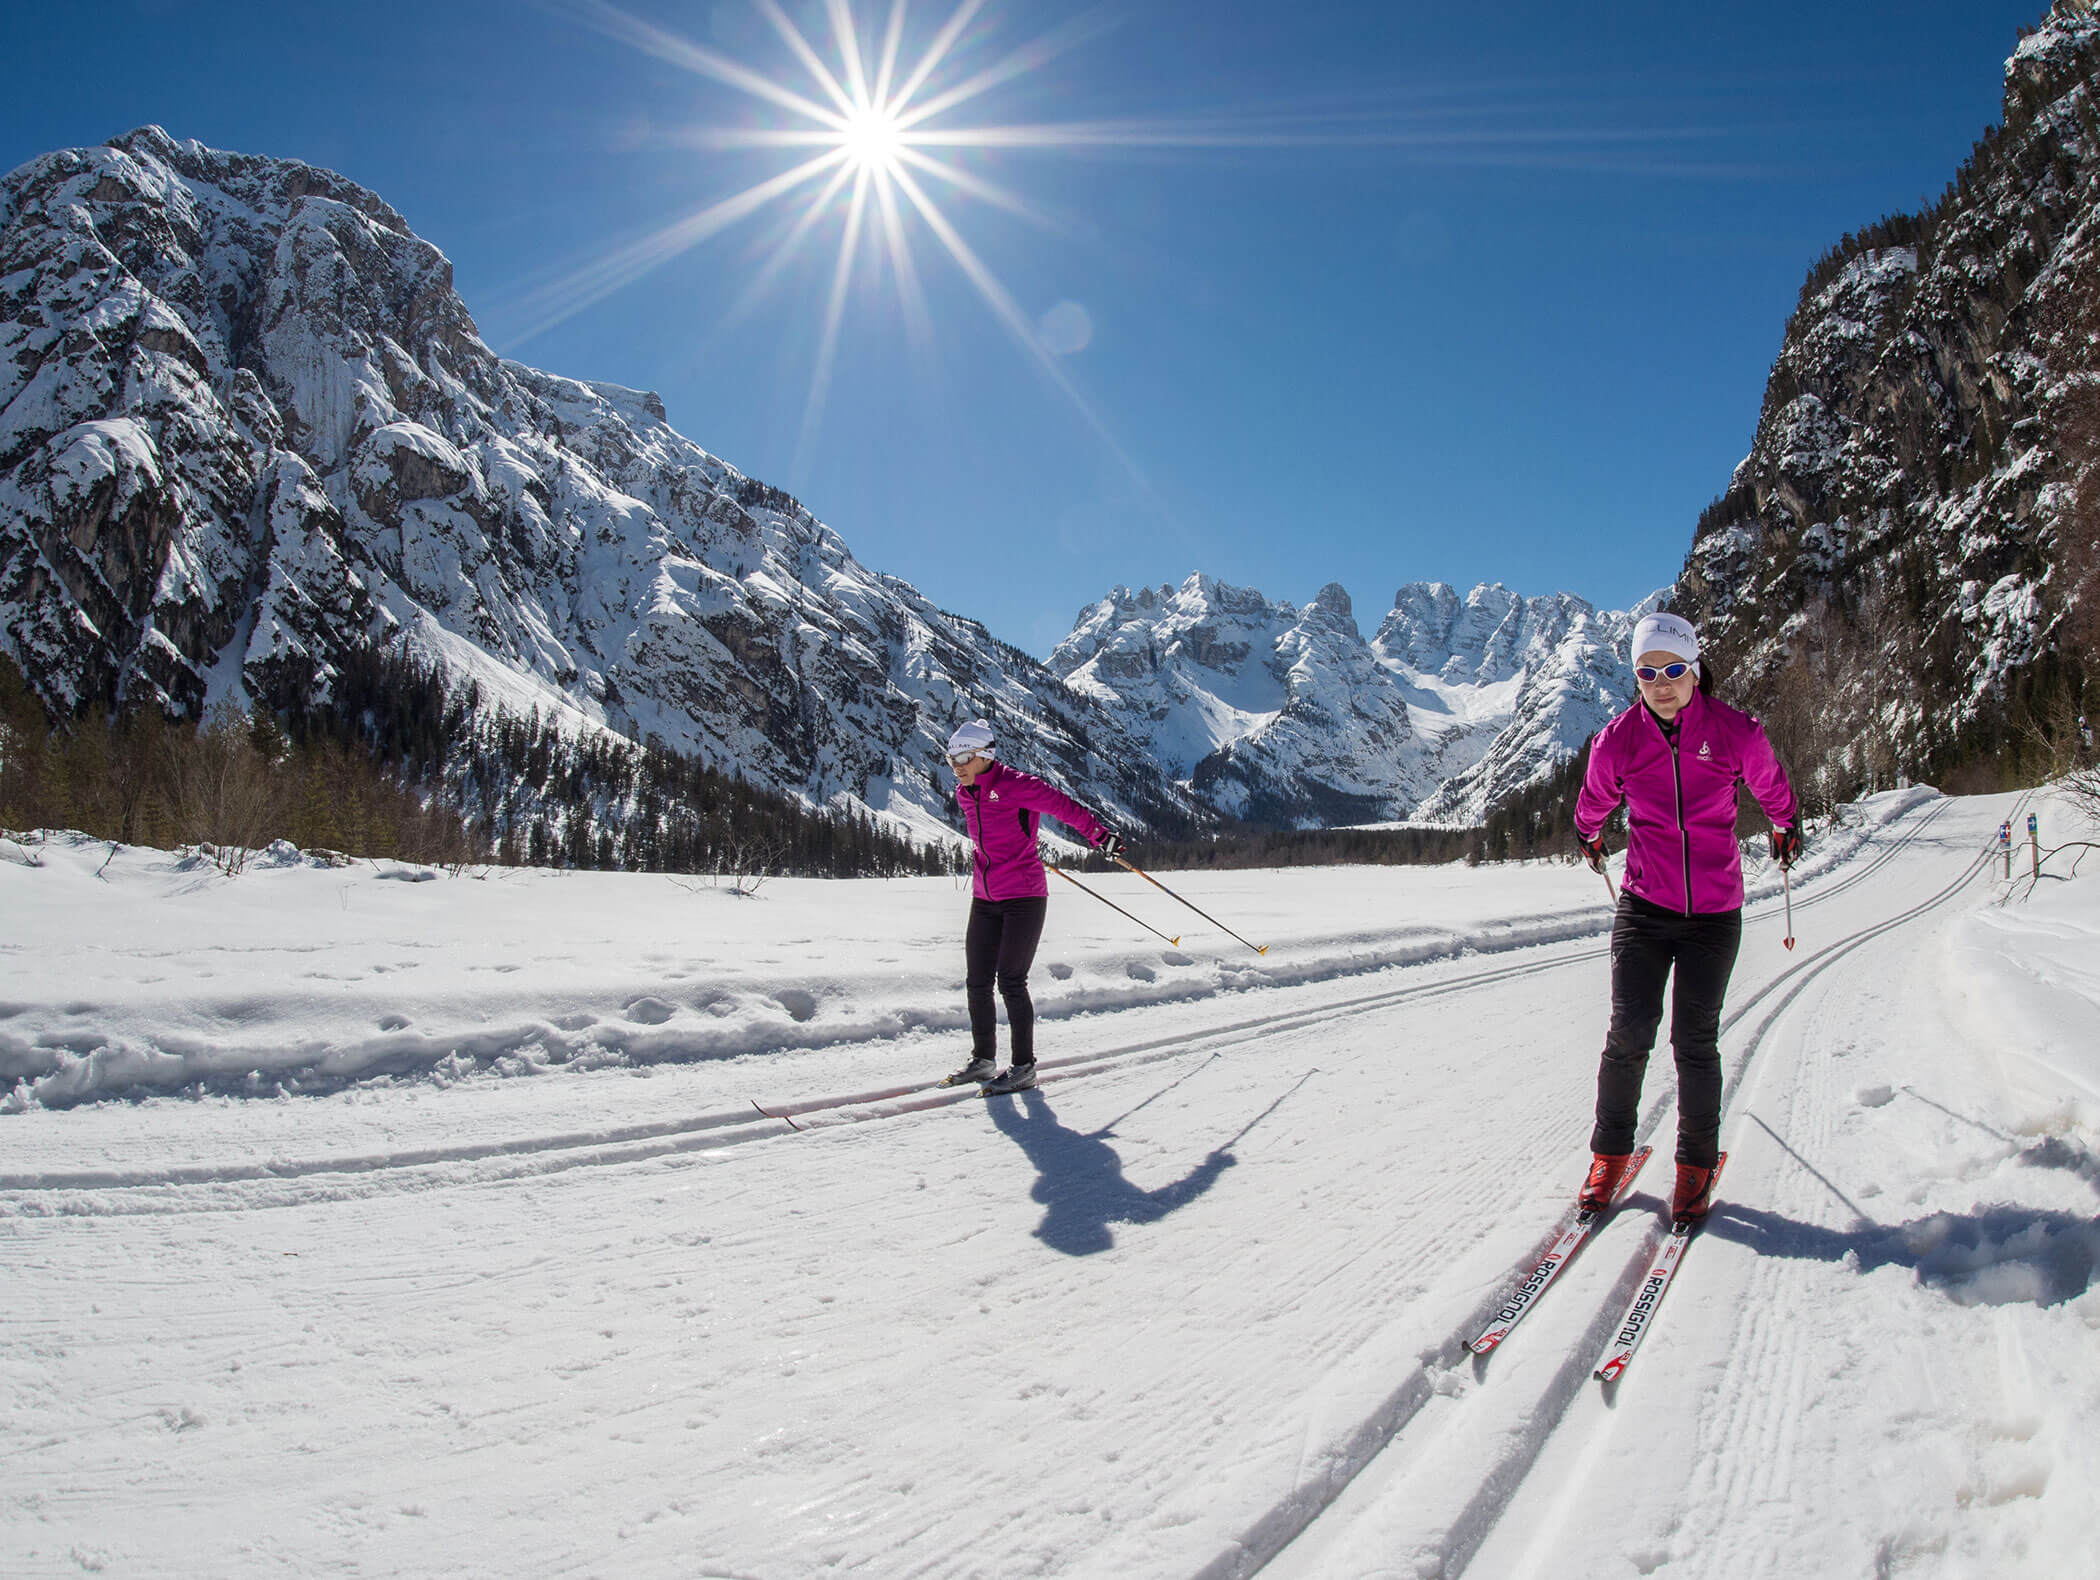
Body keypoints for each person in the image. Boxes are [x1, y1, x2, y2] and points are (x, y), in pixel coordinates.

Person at [1572, 612, 1802, 1225]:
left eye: (1673, 669)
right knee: (1628, 1037)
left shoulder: (1735, 732)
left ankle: (1695, 1165)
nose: (1662, 682)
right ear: (1636, 677)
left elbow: (1771, 785)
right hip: (1645, 908)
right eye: (1648, 672)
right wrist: (1587, 833)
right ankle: (1609, 1153)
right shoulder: (1617, 740)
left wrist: (1786, 825)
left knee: (1693, 1043)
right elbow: (1593, 799)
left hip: (1714, 914)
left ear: (1694, 668)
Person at [941, 719, 1127, 1094]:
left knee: (1010, 980)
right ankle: (983, 1060)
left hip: (1024, 896)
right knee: (977, 981)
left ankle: (1023, 1067)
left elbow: (1062, 807)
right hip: (985, 897)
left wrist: (1099, 836)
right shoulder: (965, 793)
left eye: (964, 757)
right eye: (951, 758)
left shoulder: (1016, 785)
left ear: (985, 755)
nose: (957, 765)